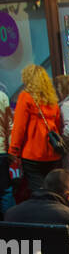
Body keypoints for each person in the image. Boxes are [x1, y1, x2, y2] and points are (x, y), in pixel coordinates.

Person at [8, 64, 63, 195]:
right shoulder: (52, 100)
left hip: (32, 153)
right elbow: (57, 126)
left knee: (38, 191)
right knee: (53, 190)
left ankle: (43, 214)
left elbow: (19, 127)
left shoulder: (26, 97)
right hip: (52, 153)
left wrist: (13, 151)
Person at [0, 82, 13, 213]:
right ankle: (9, 226)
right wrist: (11, 150)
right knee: (5, 190)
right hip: (1, 150)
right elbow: (10, 125)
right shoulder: (2, 96)